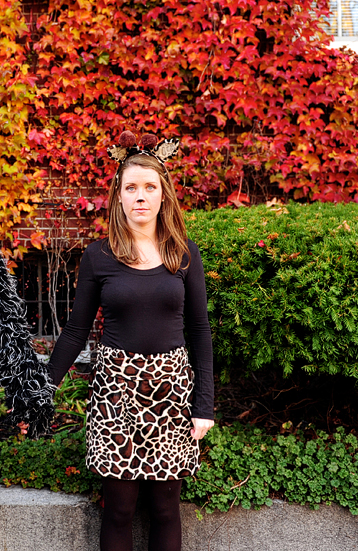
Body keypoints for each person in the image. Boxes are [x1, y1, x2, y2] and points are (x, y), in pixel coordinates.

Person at [47, 131, 214, 551]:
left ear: (163, 196)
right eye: (131, 188)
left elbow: (200, 332)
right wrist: (42, 386)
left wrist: (204, 405)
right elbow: (75, 331)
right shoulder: (99, 256)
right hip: (115, 393)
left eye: (149, 187)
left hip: (171, 392)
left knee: (164, 508)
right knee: (119, 508)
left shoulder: (184, 254)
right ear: (118, 197)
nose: (140, 196)